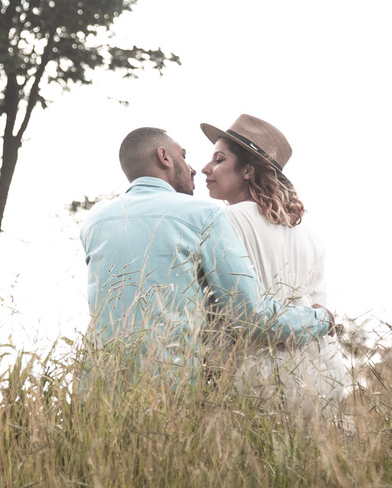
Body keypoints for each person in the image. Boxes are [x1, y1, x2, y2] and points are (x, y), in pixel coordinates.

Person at [79, 126, 334, 381]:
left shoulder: (93, 222)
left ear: (248, 170)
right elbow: (252, 316)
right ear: (164, 157)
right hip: (175, 387)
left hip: (97, 385)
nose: (195, 168)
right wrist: (322, 319)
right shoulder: (204, 216)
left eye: (218, 159)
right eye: (185, 156)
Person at [199, 114, 349, 411]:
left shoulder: (224, 221)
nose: (205, 168)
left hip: (254, 373)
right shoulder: (309, 233)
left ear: (248, 170)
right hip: (320, 372)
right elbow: (322, 312)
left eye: (218, 160)